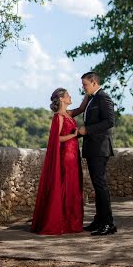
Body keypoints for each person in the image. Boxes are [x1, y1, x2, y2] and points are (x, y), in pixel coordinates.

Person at [31, 88, 88, 235]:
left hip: (73, 156)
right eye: (68, 95)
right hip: (65, 157)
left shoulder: (68, 114)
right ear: (61, 99)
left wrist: (89, 95)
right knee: (65, 186)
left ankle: (70, 222)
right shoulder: (59, 117)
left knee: (73, 187)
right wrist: (74, 135)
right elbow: (56, 139)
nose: (70, 97)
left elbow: (81, 108)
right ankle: (61, 222)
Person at [78, 71, 117, 236]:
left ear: (94, 82)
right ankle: (99, 220)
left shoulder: (103, 97)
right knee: (97, 186)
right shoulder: (91, 98)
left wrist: (87, 130)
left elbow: (110, 121)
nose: (83, 87)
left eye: (85, 84)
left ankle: (108, 224)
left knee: (101, 186)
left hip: (100, 149)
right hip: (92, 148)